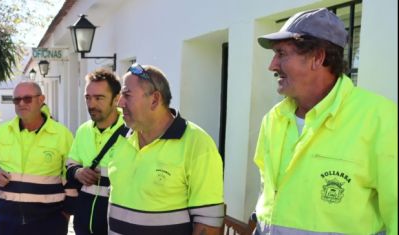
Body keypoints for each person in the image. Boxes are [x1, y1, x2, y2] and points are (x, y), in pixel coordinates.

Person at [254, 8, 397, 234]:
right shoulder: (273, 119)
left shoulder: (381, 119)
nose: (272, 65)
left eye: (281, 54)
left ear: (317, 57)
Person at [107, 63, 224, 235]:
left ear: (155, 99)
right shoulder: (120, 138)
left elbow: (208, 224)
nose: (119, 103)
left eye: (127, 95)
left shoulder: (197, 143)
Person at [0, 81, 73, 235]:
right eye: (17, 100)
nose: (21, 103)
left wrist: (66, 214)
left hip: (50, 225)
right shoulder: (2, 132)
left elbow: (71, 177)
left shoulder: (62, 135)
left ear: (41, 100)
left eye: (27, 99)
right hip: (7, 224)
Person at [64, 68, 127, 235]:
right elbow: (70, 165)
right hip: (84, 224)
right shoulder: (83, 130)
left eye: (99, 98)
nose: (91, 104)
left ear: (116, 99)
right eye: (88, 97)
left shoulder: (133, 132)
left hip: (117, 223)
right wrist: (77, 172)